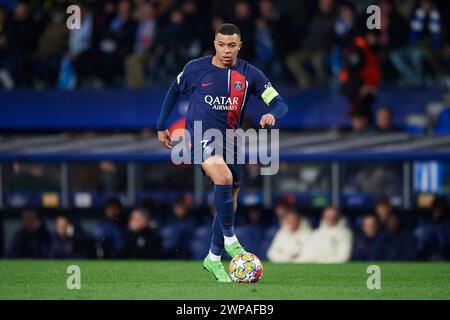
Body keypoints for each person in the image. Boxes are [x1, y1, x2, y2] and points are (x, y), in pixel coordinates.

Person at [156, 23, 288, 282]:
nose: (226, 50)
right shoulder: (196, 68)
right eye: (221, 45)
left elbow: (279, 102)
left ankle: (213, 259)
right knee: (223, 178)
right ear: (214, 44)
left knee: (231, 200)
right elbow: (173, 89)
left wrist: (272, 114)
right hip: (200, 137)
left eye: (231, 45)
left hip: (231, 140)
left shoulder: (251, 74)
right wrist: (161, 125)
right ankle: (231, 240)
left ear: (240, 46)